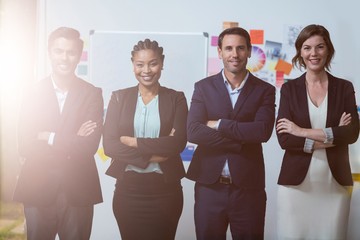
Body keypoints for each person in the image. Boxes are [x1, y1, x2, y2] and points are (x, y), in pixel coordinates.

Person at [13, 27, 103, 240]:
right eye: (59, 51)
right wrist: (72, 140)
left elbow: (88, 146)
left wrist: (48, 136)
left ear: (79, 55)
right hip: (37, 187)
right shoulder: (32, 93)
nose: (65, 57)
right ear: (49, 53)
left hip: (78, 189)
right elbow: (25, 145)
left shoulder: (92, 93)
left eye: (71, 52)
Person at [186, 27, 276, 239]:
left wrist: (219, 124)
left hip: (248, 190)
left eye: (240, 48)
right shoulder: (203, 88)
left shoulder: (264, 90)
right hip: (209, 187)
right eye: (228, 48)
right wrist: (239, 140)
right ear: (219, 52)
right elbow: (193, 132)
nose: (234, 54)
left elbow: (262, 132)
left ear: (249, 51)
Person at [276, 24, 360, 239]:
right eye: (307, 47)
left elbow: (351, 134)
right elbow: (285, 139)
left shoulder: (344, 88)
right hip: (295, 187)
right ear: (300, 52)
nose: (313, 53)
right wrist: (333, 135)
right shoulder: (289, 89)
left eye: (320, 47)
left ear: (328, 50)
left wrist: (301, 130)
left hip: (335, 186)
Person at [103, 38, 188, 240]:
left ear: (162, 63)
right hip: (128, 192)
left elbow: (177, 143)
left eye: (153, 63)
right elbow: (110, 146)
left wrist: (133, 142)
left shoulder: (176, 98)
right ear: (133, 65)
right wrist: (153, 156)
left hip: (166, 193)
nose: (146, 70)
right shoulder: (118, 98)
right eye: (140, 64)